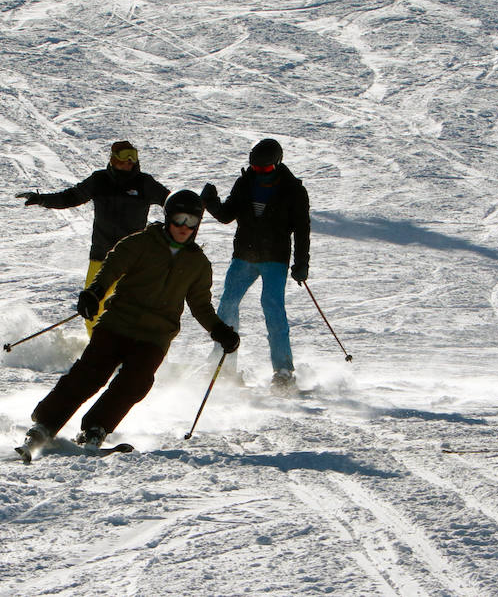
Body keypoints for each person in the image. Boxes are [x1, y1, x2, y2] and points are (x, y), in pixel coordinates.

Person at [18, 191, 239, 459]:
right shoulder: (141, 243)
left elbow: (200, 304)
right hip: (118, 322)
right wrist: (94, 293)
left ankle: (96, 428)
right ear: (168, 218)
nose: (184, 227)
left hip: (156, 335)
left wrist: (219, 330)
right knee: (89, 374)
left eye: (191, 221)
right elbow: (111, 268)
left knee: (136, 382)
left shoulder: (198, 264)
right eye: (179, 219)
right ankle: (45, 424)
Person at [17, 141, 170, 334]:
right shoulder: (100, 180)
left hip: (133, 260)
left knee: (132, 309)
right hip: (101, 256)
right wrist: (42, 199)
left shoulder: (144, 183)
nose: (130, 161)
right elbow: (71, 197)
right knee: (92, 309)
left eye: (133, 156)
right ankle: (98, 345)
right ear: (114, 159)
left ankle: (129, 348)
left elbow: (171, 201)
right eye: (125, 156)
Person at [201, 138, 311, 391]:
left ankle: (283, 371)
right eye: (255, 167)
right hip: (244, 256)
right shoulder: (245, 182)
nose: (259, 172)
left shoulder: (293, 190)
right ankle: (224, 365)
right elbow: (227, 215)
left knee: (273, 309)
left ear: (277, 164)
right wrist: (211, 202)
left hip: (275, 259)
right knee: (227, 304)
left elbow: (302, 229)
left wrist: (301, 263)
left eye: (265, 168)